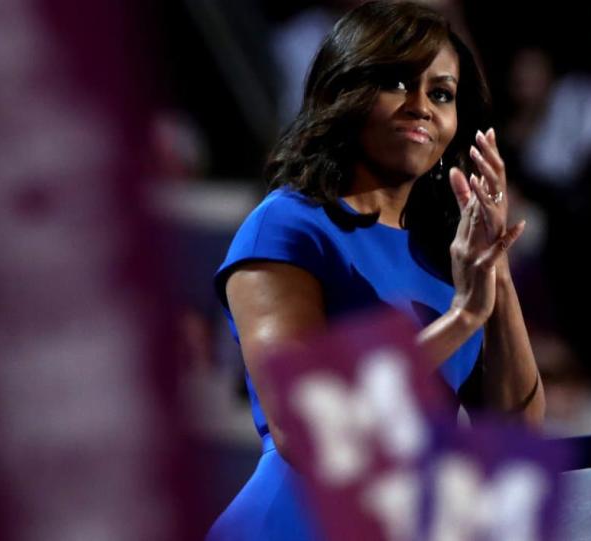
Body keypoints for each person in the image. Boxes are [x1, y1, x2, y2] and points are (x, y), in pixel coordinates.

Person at [207, 2, 544, 539]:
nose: (421, 107)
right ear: (344, 94)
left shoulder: (447, 251)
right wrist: (460, 317)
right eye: (396, 83)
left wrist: (494, 264)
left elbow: (514, 431)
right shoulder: (287, 226)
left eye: (440, 93)